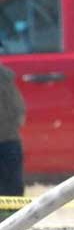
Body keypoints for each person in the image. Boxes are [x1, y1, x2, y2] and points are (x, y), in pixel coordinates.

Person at [0, 63, 26, 196]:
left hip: (7, 143)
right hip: (9, 142)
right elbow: (20, 112)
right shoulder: (5, 76)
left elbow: (19, 112)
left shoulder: (4, 76)